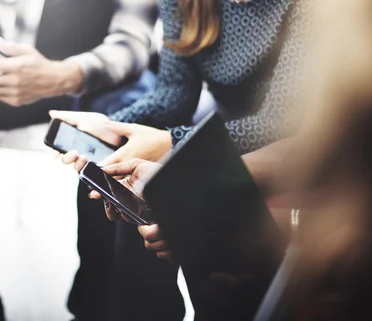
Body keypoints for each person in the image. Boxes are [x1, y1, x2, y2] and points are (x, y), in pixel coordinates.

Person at [52, 0, 312, 319]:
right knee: (115, 183)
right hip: (221, 124)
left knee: (158, 193)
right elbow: (174, 93)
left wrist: (171, 142)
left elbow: (279, 125)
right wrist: (114, 128)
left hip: (294, 135)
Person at [0, 1, 158, 320]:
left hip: (103, 77)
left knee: (118, 132)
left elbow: (132, 41)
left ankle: (98, 307)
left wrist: (65, 74)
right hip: (14, 76)